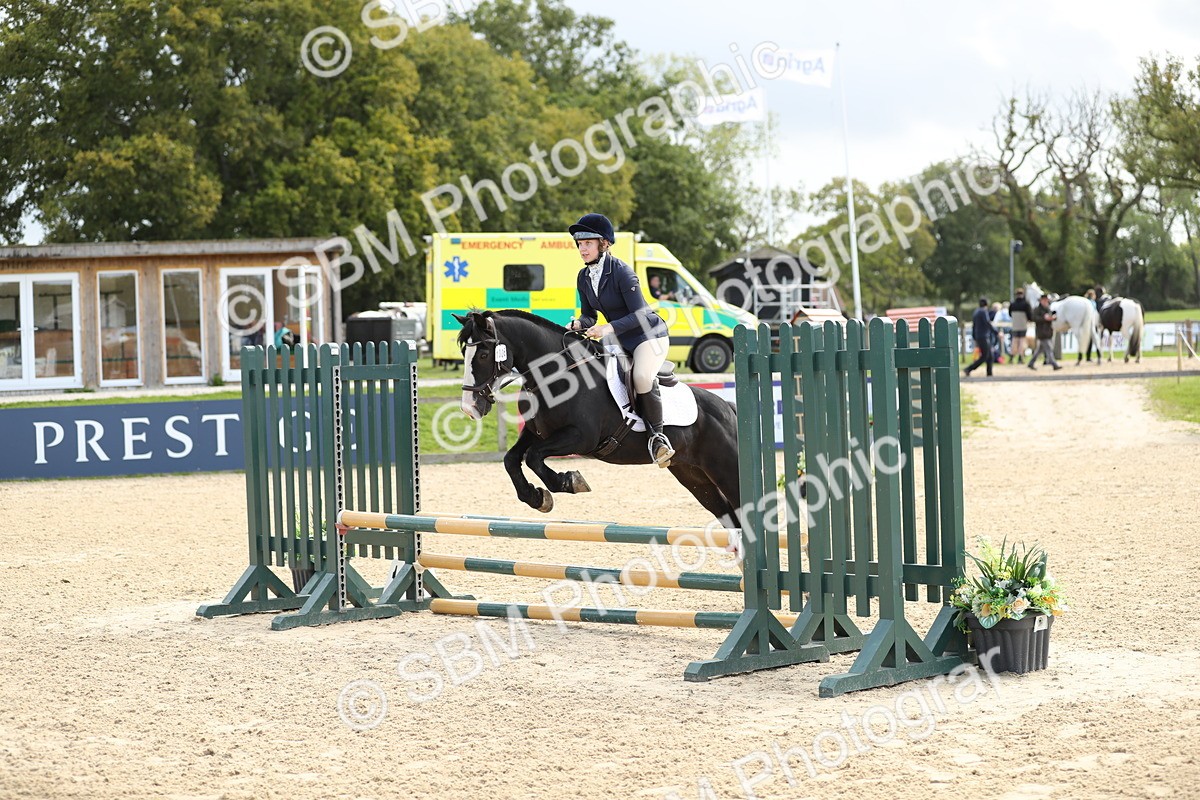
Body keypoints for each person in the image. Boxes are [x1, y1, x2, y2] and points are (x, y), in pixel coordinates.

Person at [565, 213, 675, 466]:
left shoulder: (623, 273)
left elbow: (642, 314)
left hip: (649, 336)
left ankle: (658, 439)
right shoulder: (583, 277)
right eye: (580, 244)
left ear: (603, 244)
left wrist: (608, 328)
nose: (582, 249)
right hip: (621, 340)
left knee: (641, 377)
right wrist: (579, 324)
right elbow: (589, 316)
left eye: (588, 243)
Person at [964, 297, 996, 377]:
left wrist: (974, 336)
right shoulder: (983, 311)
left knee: (990, 355)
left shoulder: (976, 311)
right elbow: (987, 323)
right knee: (985, 356)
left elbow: (974, 325)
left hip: (979, 336)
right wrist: (996, 332)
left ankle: (989, 373)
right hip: (984, 336)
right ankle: (969, 368)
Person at [1029, 294, 1062, 371]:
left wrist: (1052, 317)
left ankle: (1031, 363)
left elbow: (1051, 317)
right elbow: (1034, 318)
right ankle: (1054, 364)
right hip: (1042, 332)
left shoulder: (1048, 309)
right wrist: (1044, 318)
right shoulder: (1037, 309)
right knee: (1049, 349)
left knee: (1039, 350)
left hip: (1048, 331)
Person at [1009, 288, 1031, 364]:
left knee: (1014, 340)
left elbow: (1010, 314)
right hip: (1022, 324)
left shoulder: (1012, 304)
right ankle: (1020, 357)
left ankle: (1012, 356)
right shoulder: (1026, 304)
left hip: (1015, 324)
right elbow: (1029, 315)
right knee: (1022, 341)